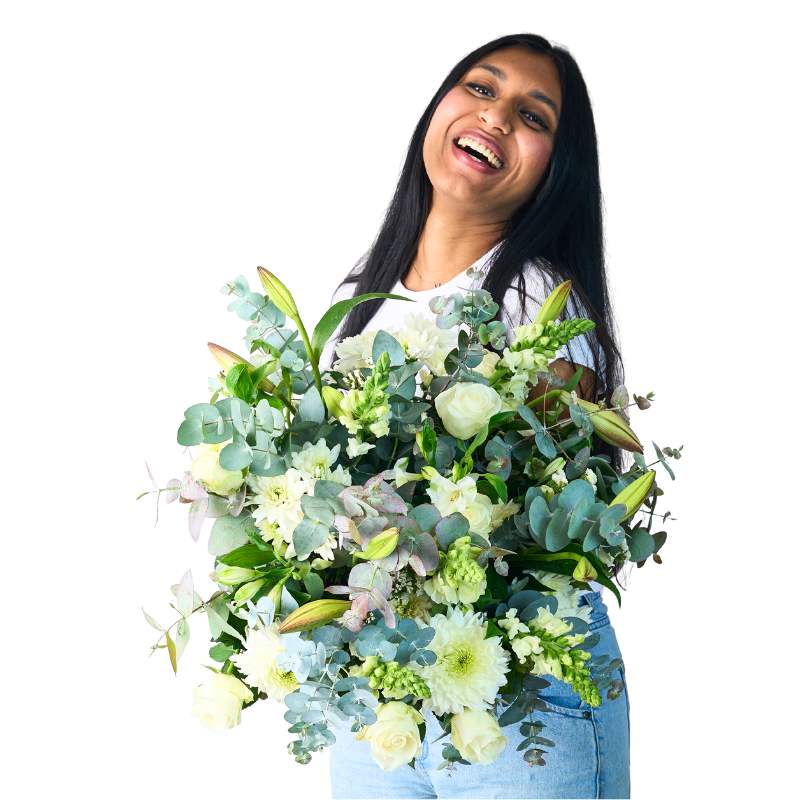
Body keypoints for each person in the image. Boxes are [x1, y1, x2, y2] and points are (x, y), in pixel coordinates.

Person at [322, 33, 630, 799]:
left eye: (533, 115)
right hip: (382, 695)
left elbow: (542, 522)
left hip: (525, 688)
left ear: (556, 170)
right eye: (482, 89)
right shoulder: (359, 301)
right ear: (441, 108)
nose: (495, 116)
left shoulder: (538, 301)